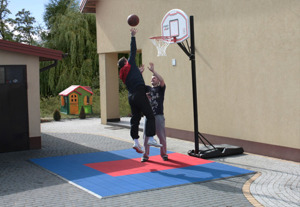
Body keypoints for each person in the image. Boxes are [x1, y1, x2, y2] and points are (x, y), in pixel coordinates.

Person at [118, 28, 161, 154]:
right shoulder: (129, 63)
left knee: (135, 119)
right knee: (150, 115)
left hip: (131, 96)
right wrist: (132, 36)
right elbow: (133, 50)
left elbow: (134, 78)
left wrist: (139, 73)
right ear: (126, 62)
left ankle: (136, 142)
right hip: (139, 93)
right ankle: (151, 138)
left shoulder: (123, 74)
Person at [140, 62, 168, 162]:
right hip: (148, 116)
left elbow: (162, 80)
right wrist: (140, 74)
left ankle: (164, 154)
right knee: (146, 137)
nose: (153, 78)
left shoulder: (160, 89)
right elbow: (140, 85)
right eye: (152, 77)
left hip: (159, 116)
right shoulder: (148, 89)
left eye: (154, 78)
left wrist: (153, 71)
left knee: (162, 136)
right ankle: (145, 155)